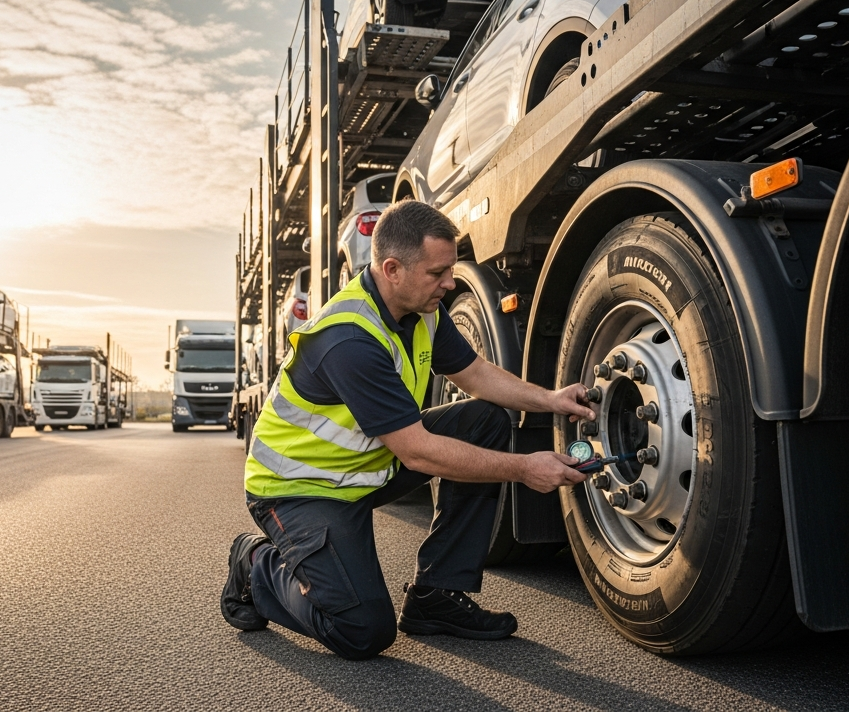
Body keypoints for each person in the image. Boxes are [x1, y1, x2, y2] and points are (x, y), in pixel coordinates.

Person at [221, 201, 591, 660]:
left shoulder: (422, 312)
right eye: (438, 273)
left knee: (486, 420)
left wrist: (551, 399)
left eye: (450, 270)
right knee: (361, 631)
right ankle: (255, 565)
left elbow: (476, 375)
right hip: (301, 489)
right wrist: (523, 469)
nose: (450, 283)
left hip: (366, 468)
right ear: (392, 269)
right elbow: (419, 453)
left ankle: (437, 594)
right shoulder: (350, 339)